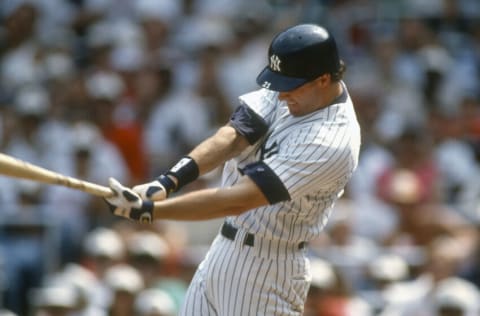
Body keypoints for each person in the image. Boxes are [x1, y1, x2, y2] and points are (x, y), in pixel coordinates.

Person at [105, 23, 361, 315]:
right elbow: (235, 134)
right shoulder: (297, 85)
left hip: (267, 269)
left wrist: (151, 210)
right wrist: (167, 182)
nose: (280, 95)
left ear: (323, 80)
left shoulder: (332, 139)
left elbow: (238, 199)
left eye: (289, 87)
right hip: (223, 251)